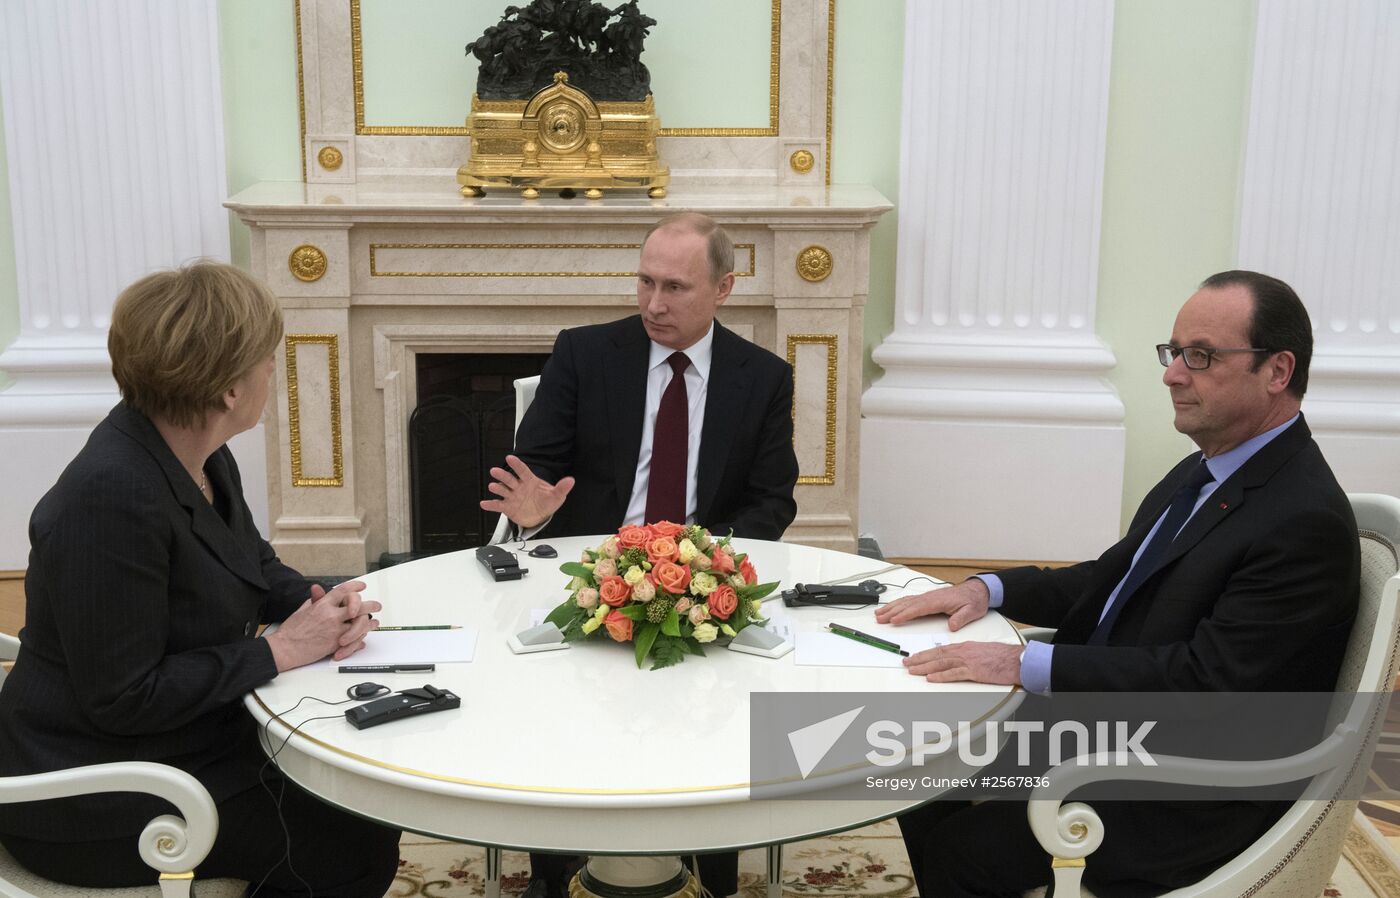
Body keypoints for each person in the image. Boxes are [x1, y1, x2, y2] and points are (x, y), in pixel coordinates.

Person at [875, 271, 1359, 898]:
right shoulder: (1207, 467)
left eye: (1202, 356)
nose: (1172, 374)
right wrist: (987, 590)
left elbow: (1206, 684)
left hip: (1183, 789)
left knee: (959, 850)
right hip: (1113, 735)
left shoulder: (1302, 519)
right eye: (1174, 351)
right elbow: (1112, 580)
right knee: (916, 763)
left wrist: (1025, 663)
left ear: (1278, 370)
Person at [0, 262, 402, 896]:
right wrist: (282, 649)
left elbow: (251, 561)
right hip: (92, 787)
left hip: (183, 739)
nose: (274, 368)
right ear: (229, 392)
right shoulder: (111, 497)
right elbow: (123, 697)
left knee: (358, 800)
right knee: (347, 844)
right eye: (267, 358)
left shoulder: (198, 452)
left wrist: (318, 603)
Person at [481, 212, 800, 898]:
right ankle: (552, 868)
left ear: (724, 288)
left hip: (699, 579)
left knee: (717, 717)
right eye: (645, 281)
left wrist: (706, 562)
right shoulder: (584, 353)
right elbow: (535, 470)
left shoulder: (763, 378)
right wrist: (536, 516)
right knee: (560, 713)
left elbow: (772, 501)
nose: (655, 303)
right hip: (593, 576)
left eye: (677, 287)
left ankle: (710, 863)